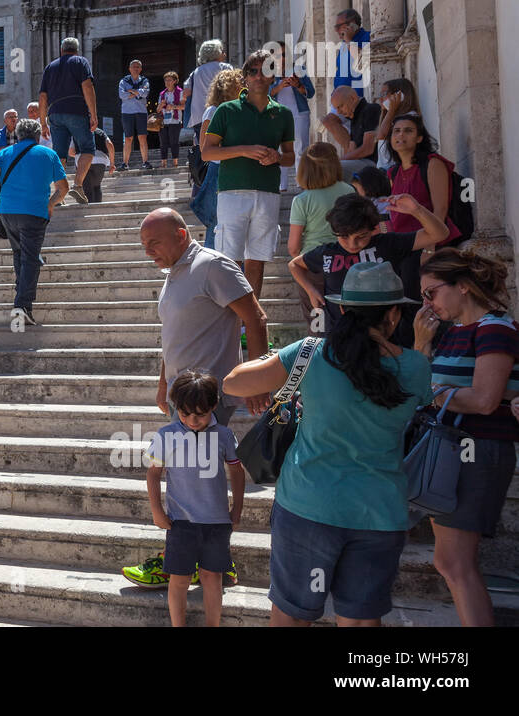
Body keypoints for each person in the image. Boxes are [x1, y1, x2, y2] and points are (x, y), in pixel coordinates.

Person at [224, 261, 427, 627]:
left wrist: (276, 359)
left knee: (291, 615)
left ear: (343, 309)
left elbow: (233, 383)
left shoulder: (311, 353)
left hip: (308, 507)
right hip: (380, 513)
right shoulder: (417, 367)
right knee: (362, 620)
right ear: (395, 314)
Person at [121, 207, 266, 590]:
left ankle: (193, 561)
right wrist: (162, 382)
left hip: (206, 398)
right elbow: (173, 335)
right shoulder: (174, 273)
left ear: (181, 235)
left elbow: (256, 319)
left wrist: (258, 380)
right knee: (188, 479)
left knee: (197, 480)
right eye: (143, 245)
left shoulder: (213, 266)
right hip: (179, 395)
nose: (148, 250)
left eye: (154, 242)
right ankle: (203, 560)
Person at [414, 248, 519, 627]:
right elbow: (417, 384)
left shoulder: (495, 328)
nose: (427, 303)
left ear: (462, 287)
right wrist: (421, 344)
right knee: (449, 562)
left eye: (432, 292)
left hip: (477, 451)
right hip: (450, 452)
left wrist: (435, 390)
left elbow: (485, 400)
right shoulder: (450, 332)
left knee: (455, 563)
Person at [144, 369, 244, 627]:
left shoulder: (223, 435)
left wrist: (237, 509)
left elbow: (236, 469)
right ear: (176, 407)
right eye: (185, 413)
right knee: (179, 578)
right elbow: (154, 474)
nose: (192, 420)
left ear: (213, 405)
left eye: (200, 414)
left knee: (212, 577)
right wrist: (157, 511)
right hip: (181, 522)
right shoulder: (166, 435)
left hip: (217, 522)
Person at [200, 49, 296, 300]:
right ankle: (228, 315)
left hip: (268, 192)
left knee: (257, 259)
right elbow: (207, 153)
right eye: (252, 71)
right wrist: (244, 150)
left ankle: (250, 320)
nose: (258, 76)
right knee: (229, 259)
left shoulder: (283, 114)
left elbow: (291, 157)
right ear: (244, 77)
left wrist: (277, 157)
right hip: (232, 192)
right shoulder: (226, 110)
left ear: (273, 75)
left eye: (265, 70)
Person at [290, 193, 448, 344]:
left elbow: (439, 234)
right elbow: (294, 265)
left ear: (373, 229)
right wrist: (310, 290)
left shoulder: (388, 244)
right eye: (344, 236)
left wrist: (417, 210)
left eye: (361, 236)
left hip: (386, 337)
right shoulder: (327, 252)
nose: (352, 244)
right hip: (340, 336)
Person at [0, 119, 68, 326]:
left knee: (20, 254)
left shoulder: (5, 153)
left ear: (18, 135)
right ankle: (22, 307)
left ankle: (21, 297)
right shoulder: (49, 154)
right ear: (37, 136)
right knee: (30, 258)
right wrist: (51, 204)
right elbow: (63, 188)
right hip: (34, 212)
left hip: (8, 212)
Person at [287, 143, 355, 321]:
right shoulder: (349, 191)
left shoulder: (302, 200)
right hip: (345, 264)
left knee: (318, 328)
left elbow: (293, 248)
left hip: (313, 267)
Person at [188, 69, 245, 252]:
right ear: (230, 87)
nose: (244, 86)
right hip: (218, 172)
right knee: (216, 224)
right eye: (240, 83)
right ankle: (213, 265)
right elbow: (206, 147)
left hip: (233, 170)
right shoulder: (213, 111)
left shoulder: (238, 110)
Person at [385, 113, 462, 246]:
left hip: (431, 243)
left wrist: (429, 247)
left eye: (408, 131)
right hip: (405, 243)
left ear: (419, 138)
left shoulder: (433, 164)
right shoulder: (393, 172)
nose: (401, 135)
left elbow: (440, 209)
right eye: (396, 131)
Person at [37, 36, 99, 203]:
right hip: (76, 110)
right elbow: (87, 86)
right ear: (76, 50)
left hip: (55, 113)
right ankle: (77, 185)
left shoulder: (50, 67)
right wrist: (93, 114)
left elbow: (42, 97)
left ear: (61, 50)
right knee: (87, 148)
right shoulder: (80, 62)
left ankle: (59, 192)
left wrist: (43, 122)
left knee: (59, 154)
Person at [268, 52, 315, 190]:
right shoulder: (269, 73)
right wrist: (279, 86)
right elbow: (264, 94)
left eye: (283, 54)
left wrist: (298, 85)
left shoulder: (299, 70)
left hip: (299, 114)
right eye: (277, 56)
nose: (281, 58)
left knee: (301, 148)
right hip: (276, 116)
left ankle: (302, 183)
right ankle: (281, 186)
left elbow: (310, 92)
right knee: (279, 149)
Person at [320, 86, 381, 179]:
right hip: (360, 162)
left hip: (372, 164)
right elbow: (351, 149)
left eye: (340, 106)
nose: (339, 112)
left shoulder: (371, 109)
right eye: (336, 108)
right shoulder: (354, 116)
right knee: (321, 168)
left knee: (330, 169)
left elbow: (368, 149)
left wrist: (338, 161)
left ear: (352, 98)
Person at [183, 39, 232, 135]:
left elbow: (186, 93)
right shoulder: (225, 68)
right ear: (216, 52)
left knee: (204, 147)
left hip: (199, 117)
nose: (224, 54)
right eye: (222, 51)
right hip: (221, 114)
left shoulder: (195, 72)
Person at [373, 78, 420, 170]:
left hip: (396, 170)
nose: (381, 99)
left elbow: (381, 135)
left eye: (384, 94)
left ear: (400, 96)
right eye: (380, 95)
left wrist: (391, 110)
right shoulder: (392, 118)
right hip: (386, 170)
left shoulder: (410, 117)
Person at [118, 60, 152, 170]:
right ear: (129, 69)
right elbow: (122, 95)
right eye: (133, 67)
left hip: (141, 112)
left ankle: (145, 162)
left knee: (142, 137)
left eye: (138, 67)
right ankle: (125, 163)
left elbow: (145, 93)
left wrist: (131, 91)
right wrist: (138, 93)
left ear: (141, 69)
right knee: (128, 138)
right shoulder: (123, 81)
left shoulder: (145, 80)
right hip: (127, 112)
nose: (136, 69)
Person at [333, 8, 372, 100]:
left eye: (339, 26)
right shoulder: (344, 45)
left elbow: (363, 63)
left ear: (352, 24)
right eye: (336, 27)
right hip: (340, 101)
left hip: (357, 101)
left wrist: (349, 41)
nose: (337, 30)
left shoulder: (368, 37)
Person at [156, 71, 184, 170]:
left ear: (175, 81)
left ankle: (175, 163)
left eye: (169, 80)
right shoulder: (162, 94)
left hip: (175, 121)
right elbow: (158, 110)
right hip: (164, 121)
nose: (167, 82)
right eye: (166, 80)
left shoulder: (180, 91)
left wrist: (173, 106)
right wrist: (161, 105)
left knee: (174, 142)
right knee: (163, 142)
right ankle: (163, 163)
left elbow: (184, 106)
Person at [82, 127, 115, 204]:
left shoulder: (78, 130)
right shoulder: (100, 132)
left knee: (87, 187)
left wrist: (80, 158)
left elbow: (71, 151)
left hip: (84, 158)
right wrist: (112, 164)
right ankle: (98, 209)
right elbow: (110, 144)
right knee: (96, 185)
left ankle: (89, 210)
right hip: (100, 159)